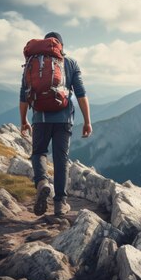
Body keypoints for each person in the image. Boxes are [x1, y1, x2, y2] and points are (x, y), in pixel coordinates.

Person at [19, 31, 92, 216]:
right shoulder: (70, 63)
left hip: (40, 119)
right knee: (61, 160)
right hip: (64, 120)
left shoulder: (32, 63)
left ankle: (42, 182)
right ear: (61, 46)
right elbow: (81, 94)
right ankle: (60, 204)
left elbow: (23, 95)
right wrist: (87, 122)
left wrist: (23, 121)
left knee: (38, 153)